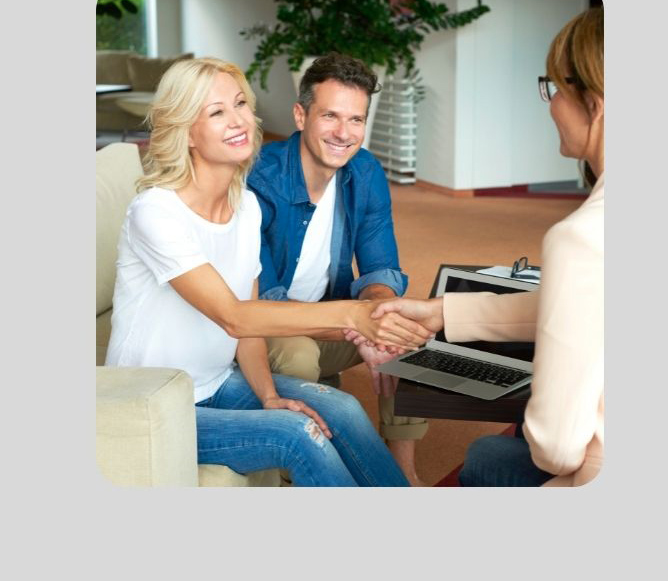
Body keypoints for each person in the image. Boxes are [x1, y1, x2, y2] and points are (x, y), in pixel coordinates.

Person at [104, 56, 432, 486]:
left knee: (345, 409)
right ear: (185, 131)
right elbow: (234, 315)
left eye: (240, 104)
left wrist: (269, 394)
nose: (239, 120)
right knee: (299, 435)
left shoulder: (245, 207)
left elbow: (249, 324)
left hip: (218, 383)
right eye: (217, 112)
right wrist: (352, 316)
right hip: (153, 400)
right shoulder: (157, 212)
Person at [369, 7, 604, 486]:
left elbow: (556, 448)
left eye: (554, 88)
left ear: (594, 103)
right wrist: (442, 313)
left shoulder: (581, 238)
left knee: (492, 454)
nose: (550, 103)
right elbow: (584, 302)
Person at [246, 53, 429, 486]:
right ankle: (289, 473)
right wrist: (360, 326)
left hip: (335, 318)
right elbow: (265, 301)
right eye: (330, 116)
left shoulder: (364, 170)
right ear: (300, 115)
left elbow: (381, 266)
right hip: (267, 325)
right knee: (298, 353)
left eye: (355, 119)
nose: (344, 134)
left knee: (411, 331)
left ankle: (402, 473)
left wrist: (382, 315)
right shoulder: (261, 179)